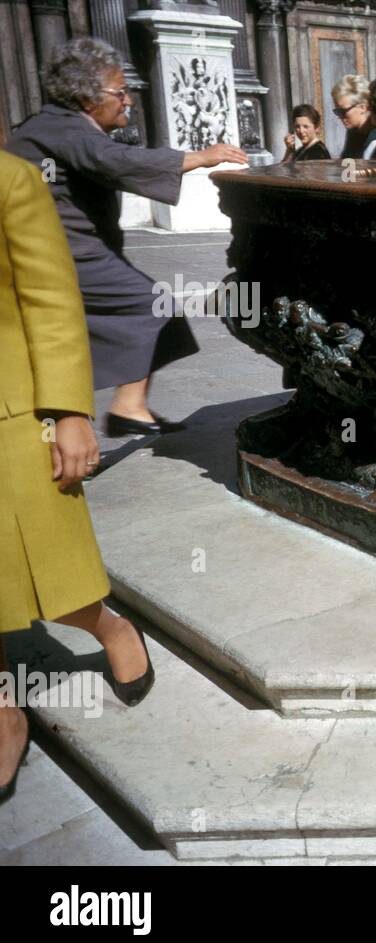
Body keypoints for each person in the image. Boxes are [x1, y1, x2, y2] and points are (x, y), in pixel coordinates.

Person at [1, 150, 158, 806]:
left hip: (13, 408)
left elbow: (52, 299)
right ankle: (6, 710)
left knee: (51, 570)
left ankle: (109, 626)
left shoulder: (12, 179)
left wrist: (68, 411)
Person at [5, 37, 247, 437]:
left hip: (75, 252)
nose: (129, 100)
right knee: (153, 306)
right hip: (61, 258)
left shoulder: (59, 125)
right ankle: (113, 412)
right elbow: (115, 162)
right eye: (120, 92)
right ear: (86, 97)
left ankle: (123, 408)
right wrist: (202, 156)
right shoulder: (62, 128)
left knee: (137, 318)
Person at [333, 74, 376, 160]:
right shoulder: (352, 132)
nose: (340, 117)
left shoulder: (374, 142)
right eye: (337, 112)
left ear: (363, 107)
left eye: (344, 111)